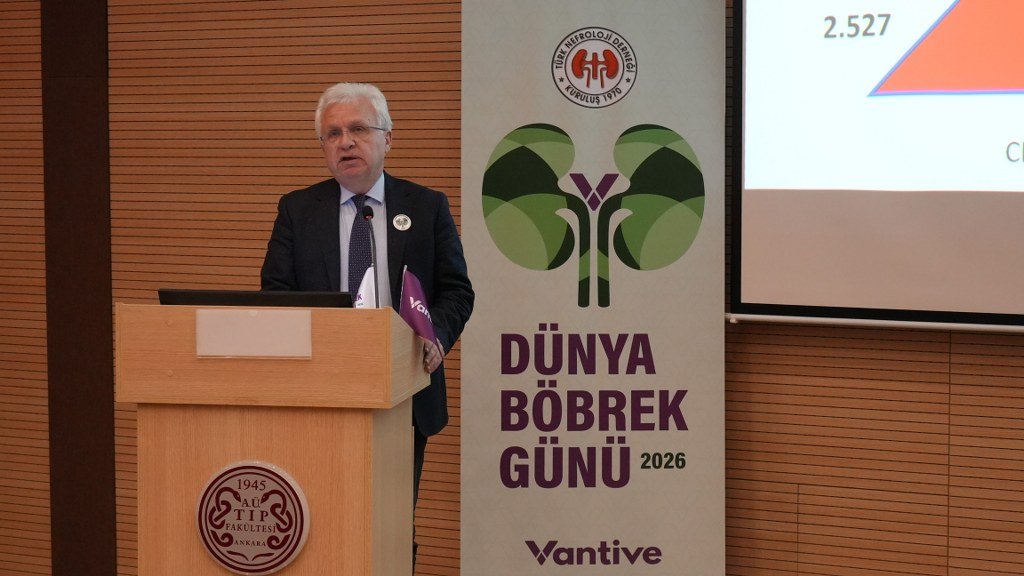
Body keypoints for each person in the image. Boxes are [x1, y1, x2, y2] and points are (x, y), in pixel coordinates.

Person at [260, 82, 474, 562]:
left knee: (391, 525)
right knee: (321, 525)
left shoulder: (426, 206)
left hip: (402, 394)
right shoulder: (297, 210)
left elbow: (456, 291)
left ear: (387, 138)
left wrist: (435, 336)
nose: (346, 142)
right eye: (333, 134)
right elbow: (276, 295)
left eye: (358, 129)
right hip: (319, 395)